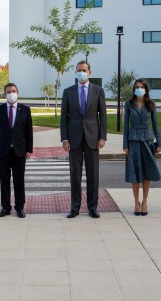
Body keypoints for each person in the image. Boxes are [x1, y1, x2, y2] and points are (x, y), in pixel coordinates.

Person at [60, 60, 107, 218]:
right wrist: (64, 139)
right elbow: (63, 119)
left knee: (93, 175)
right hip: (73, 139)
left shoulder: (98, 91)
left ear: (90, 72)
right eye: (79, 70)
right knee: (75, 175)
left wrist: (102, 136)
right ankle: (75, 207)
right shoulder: (68, 92)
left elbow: (103, 116)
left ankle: (93, 207)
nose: (81, 72)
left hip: (93, 138)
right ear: (75, 72)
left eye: (84, 70)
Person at [0, 83, 33, 218]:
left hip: (20, 151)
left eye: (13, 91)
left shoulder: (25, 109)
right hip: (2, 151)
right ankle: (5, 207)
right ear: (4, 94)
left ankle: (20, 207)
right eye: (8, 92)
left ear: (17, 92)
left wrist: (29, 149)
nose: (11, 94)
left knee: (19, 181)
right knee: (4, 181)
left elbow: (29, 131)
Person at [123, 79, 161, 216]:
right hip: (133, 140)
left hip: (147, 141)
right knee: (134, 173)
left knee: (146, 173)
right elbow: (125, 126)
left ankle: (144, 202)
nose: (139, 89)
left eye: (141, 87)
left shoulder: (151, 104)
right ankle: (136, 202)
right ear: (134, 89)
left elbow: (155, 124)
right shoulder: (128, 104)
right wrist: (125, 145)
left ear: (145, 89)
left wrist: (159, 142)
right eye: (136, 87)